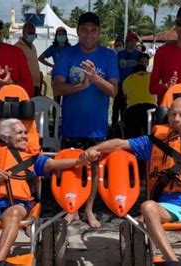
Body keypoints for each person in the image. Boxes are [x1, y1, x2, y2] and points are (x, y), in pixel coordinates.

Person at [85, 97, 181, 263]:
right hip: (170, 208)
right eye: (172, 114)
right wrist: (93, 149)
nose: (176, 119)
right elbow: (119, 144)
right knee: (148, 207)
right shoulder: (153, 143)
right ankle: (172, 261)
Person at [0, 118, 87, 262]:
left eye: (25, 132)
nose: (25, 136)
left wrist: (80, 161)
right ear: (5, 137)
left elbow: (54, 164)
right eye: (19, 133)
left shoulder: (32, 159)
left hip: (17, 204)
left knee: (14, 213)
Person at [52, 12, 119, 227]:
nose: (89, 34)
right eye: (84, 30)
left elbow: (113, 91)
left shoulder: (109, 56)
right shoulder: (66, 55)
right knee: (71, 167)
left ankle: (89, 209)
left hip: (96, 128)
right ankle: (71, 207)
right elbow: (57, 87)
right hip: (72, 124)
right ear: (78, 31)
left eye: (93, 30)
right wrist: (79, 86)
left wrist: (95, 78)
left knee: (94, 170)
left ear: (98, 32)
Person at [123, 52, 156, 138]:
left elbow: (125, 98)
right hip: (151, 109)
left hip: (133, 110)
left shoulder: (127, 79)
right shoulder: (152, 77)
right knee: (152, 136)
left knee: (132, 138)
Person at [112, 31, 142, 126]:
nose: (133, 43)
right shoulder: (120, 54)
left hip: (132, 86)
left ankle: (127, 127)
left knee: (129, 108)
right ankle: (114, 127)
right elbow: (114, 69)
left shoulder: (139, 55)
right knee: (116, 107)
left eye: (135, 42)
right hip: (120, 84)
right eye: (131, 41)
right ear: (127, 42)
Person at [39, 26, 71, 103]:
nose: (61, 36)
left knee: (68, 99)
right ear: (56, 36)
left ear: (66, 36)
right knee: (56, 99)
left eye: (63, 34)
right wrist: (52, 66)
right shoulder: (53, 48)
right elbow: (40, 58)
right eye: (59, 34)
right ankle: (55, 114)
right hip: (56, 76)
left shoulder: (69, 48)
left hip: (68, 76)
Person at [15, 23, 42, 96]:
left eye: (34, 33)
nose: (33, 35)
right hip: (24, 86)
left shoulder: (33, 46)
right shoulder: (17, 48)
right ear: (24, 33)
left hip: (36, 84)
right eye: (30, 33)